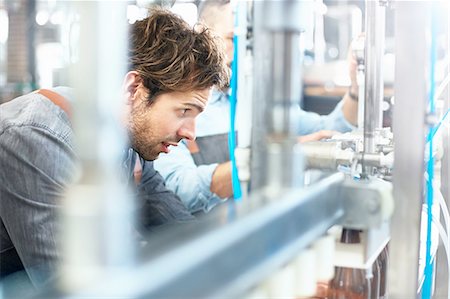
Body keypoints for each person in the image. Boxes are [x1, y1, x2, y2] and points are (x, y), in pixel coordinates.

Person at [0, 8, 229, 288]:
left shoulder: (126, 142)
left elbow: (174, 225)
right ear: (133, 89)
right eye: (184, 111)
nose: (190, 133)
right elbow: (69, 286)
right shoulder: (35, 137)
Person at [153, 0, 359, 214]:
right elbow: (179, 190)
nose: (243, 53)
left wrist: (357, 89)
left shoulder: (259, 99)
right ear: (202, 35)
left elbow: (332, 130)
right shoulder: (179, 107)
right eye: (233, 39)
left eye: (250, 43)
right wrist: (276, 159)